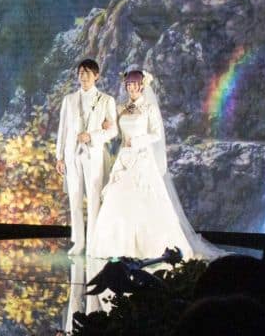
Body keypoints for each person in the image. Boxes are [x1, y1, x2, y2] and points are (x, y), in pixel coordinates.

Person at [88, 69, 224, 262]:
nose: (131, 88)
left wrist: (137, 141)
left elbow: (156, 134)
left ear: (142, 86)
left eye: (134, 85)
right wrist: (106, 126)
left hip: (142, 158)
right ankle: (117, 246)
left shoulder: (149, 108)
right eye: (128, 85)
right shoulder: (121, 108)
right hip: (124, 158)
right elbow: (115, 130)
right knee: (118, 199)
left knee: (145, 202)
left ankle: (149, 248)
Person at [55, 58, 117, 255]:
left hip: (93, 155)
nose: (83, 76)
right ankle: (79, 242)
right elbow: (63, 129)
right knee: (74, 199)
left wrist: (92, 136)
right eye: (81, 73)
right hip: (72, 155)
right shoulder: (69, 100)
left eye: (87, 73)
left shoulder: (106, 100)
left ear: (96, 76)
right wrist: (59, 156)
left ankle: (93, 243)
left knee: (93, 199)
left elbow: (113, 130)